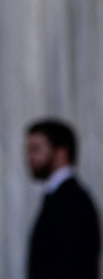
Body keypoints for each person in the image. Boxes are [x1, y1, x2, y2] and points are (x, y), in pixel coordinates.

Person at [26, 119, 101, 279]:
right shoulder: (59, 197)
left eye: (36, 149)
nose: (29, 157)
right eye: (28, 150)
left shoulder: (75, 202)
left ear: (61, 153)